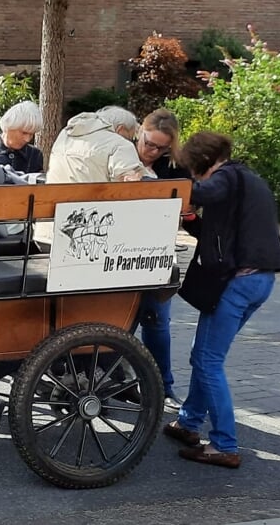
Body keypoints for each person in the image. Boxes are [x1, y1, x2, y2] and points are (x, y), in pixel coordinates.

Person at [163, 131, 280, 469]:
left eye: (192, 169)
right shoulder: (246, 179)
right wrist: (190, 219)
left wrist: (166, 189)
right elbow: (215, 234)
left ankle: (224, 445)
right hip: (259, 280)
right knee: (205, 356)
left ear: (203, 162)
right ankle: (188, 423)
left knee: (208, 361)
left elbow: (204, 191)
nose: (193, 175)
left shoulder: (226, 177)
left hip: (238, 283)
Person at [130, 109, 189, 408]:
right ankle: (117, 381)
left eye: (159, 147)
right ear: (140, 132)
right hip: (117, 251)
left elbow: (184, 209)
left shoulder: (175, 167)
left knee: (157, 322)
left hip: (156, 250)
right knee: (116, 322)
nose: (150, 151)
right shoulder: (121, 152)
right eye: (148, 142)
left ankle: (162, 387)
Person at [45, 105, 151, 184]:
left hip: (54, 205)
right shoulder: (121, 145)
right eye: (130, 136)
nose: (130, 141)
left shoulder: (66, 133)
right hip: (94, 208)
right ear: (120, 129)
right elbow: (130, 183)